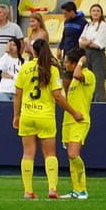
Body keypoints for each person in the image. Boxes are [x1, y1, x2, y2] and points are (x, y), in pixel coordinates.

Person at [13, 38, 84, 200]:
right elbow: (57, 96)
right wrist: (73, 112)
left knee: (28, 153)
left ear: (34, 52)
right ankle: (52, 188)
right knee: (50, 154)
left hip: (28, 114)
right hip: (45, 116)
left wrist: (16, 115)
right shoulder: (52, 70)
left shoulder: (25, 68)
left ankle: (28, 191)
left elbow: (18, 94)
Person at [61, 49, 94, 200]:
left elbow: (77, 74)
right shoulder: (73, 81)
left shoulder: (87, 75)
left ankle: (83, 189)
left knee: (73, 154)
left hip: (80, 121)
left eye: (68, 62)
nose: (65, 64)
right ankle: (76, 189)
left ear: (75, 63)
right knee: (70, 158)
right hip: (68, 121)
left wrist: (81, 61)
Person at [78, 3, 106, 102]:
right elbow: (80, 43)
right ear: (90, 13)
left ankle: (100, 102)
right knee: (88, 79)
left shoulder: (103, 25)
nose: (95, 13)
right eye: (93, 11)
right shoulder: (88, 25)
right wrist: (89, 42)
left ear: (101, 13)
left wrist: (86, 42)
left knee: (98, 80)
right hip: (87, 54)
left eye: (98, 11)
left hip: (98, 55)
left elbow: (98, 44)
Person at [0, 37, 24, 102]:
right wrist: (6, 53)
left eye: (14, 45)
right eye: (10, 45)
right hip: (4, 90)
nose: (11, 47)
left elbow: (22, 77)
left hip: (17, 90)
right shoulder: (5, 58)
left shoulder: (23, 62)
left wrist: (12, 77)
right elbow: (0, 67)